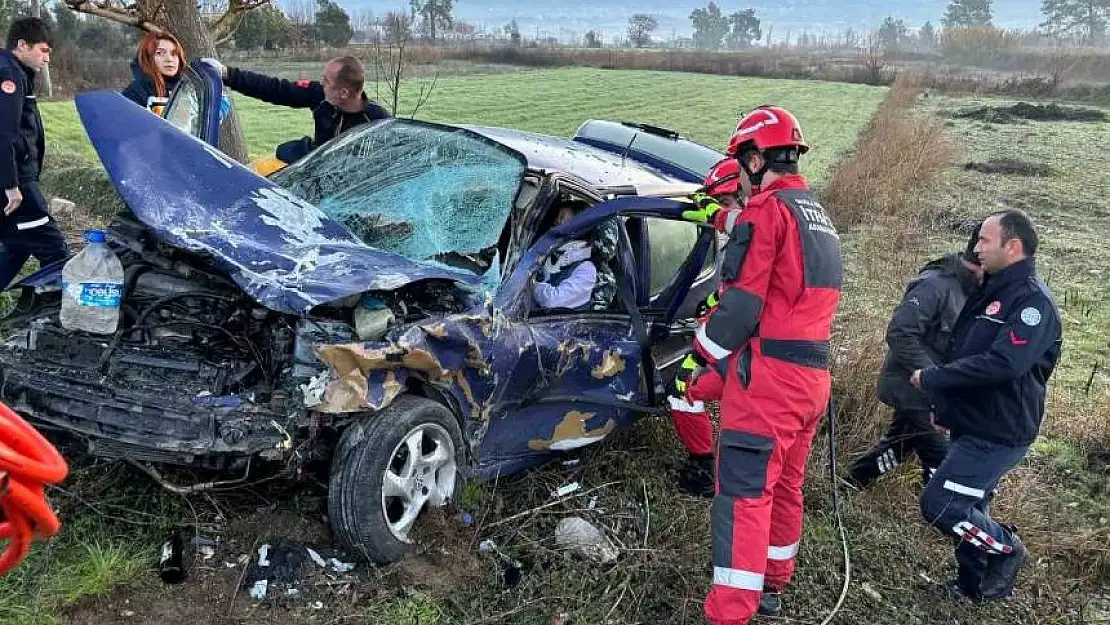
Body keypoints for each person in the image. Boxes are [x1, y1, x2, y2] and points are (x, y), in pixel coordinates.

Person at [679, 105, 842, 624]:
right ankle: (773, 585)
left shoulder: (764, 212)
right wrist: (721, 216)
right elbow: (779, 258)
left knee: (743, 499)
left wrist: (697, 357)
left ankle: (729, 612)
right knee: (786, 487)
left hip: (768, 382)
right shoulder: (814, 213)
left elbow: (741, 308)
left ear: (753, 158)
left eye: (741, 162)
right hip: (812, 379)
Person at [912, 210, 1061, 603]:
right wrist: (946, 408)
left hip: (1000, 431)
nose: (976, 248)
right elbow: (964, 348)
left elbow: (1004, 363)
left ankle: (1007, 550)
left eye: (984, 241)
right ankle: (971, 588)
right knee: (971, 504)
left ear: (1013, 246)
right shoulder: (993, 290)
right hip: (973, 420)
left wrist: (933, 380)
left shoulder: (1032, 302)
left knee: (942, 504)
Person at [848, 225, 984, 488]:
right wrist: (934, 378)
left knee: (899, 446)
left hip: (936, 395)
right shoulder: (935, 285)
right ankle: (941, 515)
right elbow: (900, 333)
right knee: (943, 460)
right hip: (910, 389)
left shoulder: (975, 292)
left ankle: (851, 482)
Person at [667, 157, 744, 498]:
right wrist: (711, 302)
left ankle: (704, 469)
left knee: (685, 390)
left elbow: (742, 306)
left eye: (726, 204)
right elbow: (733, 291)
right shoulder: (752, 231)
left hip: (748, 358)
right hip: (753, 355)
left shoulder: (751, 237)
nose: (720, 214)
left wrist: (695, 359)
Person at [201, 55, 390, 168]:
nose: (321, 83)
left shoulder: (378, 122)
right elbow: (276, 89)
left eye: (327, 81)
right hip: (307, 167)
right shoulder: (319, 95)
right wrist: (228, 74)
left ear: (343, 93)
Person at [0, 17, 66, 290]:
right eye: (43, 50)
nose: (47, 58)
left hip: (14, 177)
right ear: (22, 45)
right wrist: (11, 185)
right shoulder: (9, 74)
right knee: (54, 249)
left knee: (17, 244)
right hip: (17, 183)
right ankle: (59, 317)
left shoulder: (14, 71)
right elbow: (5, 134)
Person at [533, 203, 597, 311]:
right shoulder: (547, 255)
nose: (557, 222)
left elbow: (552, 301)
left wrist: (528, 283)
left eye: (562, 217)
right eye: (557, 218)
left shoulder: (586, 270)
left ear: (580, 226)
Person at [121, 32, 186, 115]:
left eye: (174, 53)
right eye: (160, 53)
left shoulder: (190, 88)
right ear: (147, 58)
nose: (169, 59)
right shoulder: (136, 92)